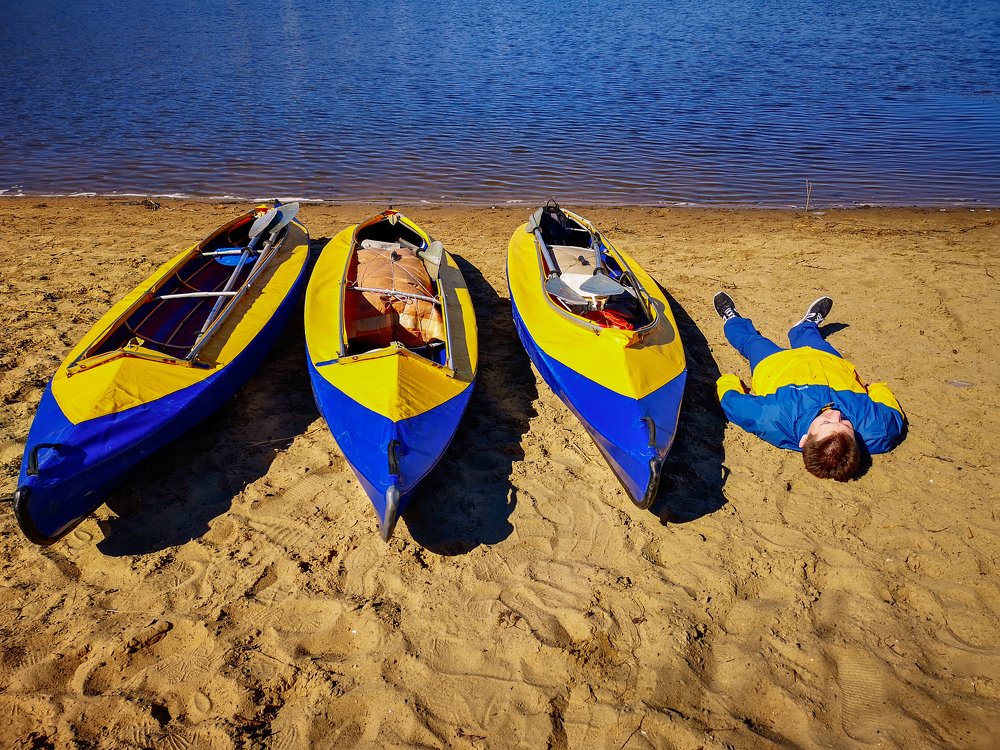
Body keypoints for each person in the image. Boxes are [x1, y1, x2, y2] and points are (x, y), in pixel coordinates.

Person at [713, 292, 905, 481]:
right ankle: (805, 326)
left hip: (774, 364)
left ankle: (731, 318)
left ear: (804, 440)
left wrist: (729, 381)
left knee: (751, 341)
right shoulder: (878, 430)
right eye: (847, 426)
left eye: (826, 423)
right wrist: (876, 389)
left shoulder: (773, 418)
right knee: (808, 337)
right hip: (827, 362)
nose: (836, 415)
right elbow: (892, 412)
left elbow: (731, 402)